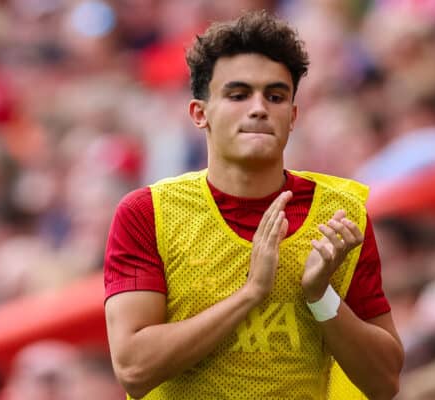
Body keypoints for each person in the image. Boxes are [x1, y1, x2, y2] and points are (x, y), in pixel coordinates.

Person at [104, 10, 403, 400]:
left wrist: (320, 296)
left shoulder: (341, 215)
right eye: (238, 94)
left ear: (292, 116)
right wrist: (250, 294)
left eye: (275, 96)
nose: (259, 108)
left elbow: (385, 383)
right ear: (200, 113)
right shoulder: (148, 213)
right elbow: (133, 367)